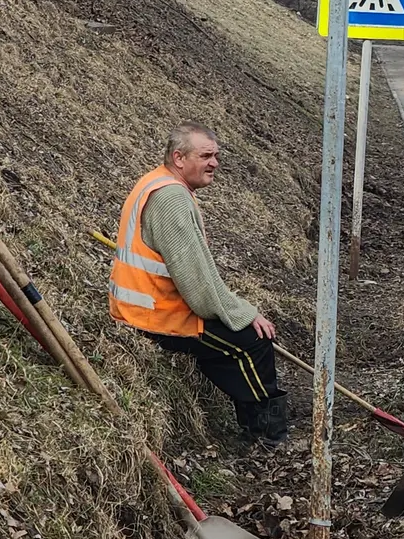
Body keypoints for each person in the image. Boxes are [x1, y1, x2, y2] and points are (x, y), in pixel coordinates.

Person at [110, 124, 287, 446]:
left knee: (234, 342)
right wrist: (245, 314)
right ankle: (267, 435)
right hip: (157, 317)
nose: (215, 163)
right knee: (253, 341)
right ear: (179, 158)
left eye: (216, 155)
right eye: (206, 156)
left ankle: (255, 426)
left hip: (143, 308)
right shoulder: (171, 199)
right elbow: (197, 283)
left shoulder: (156, 181)